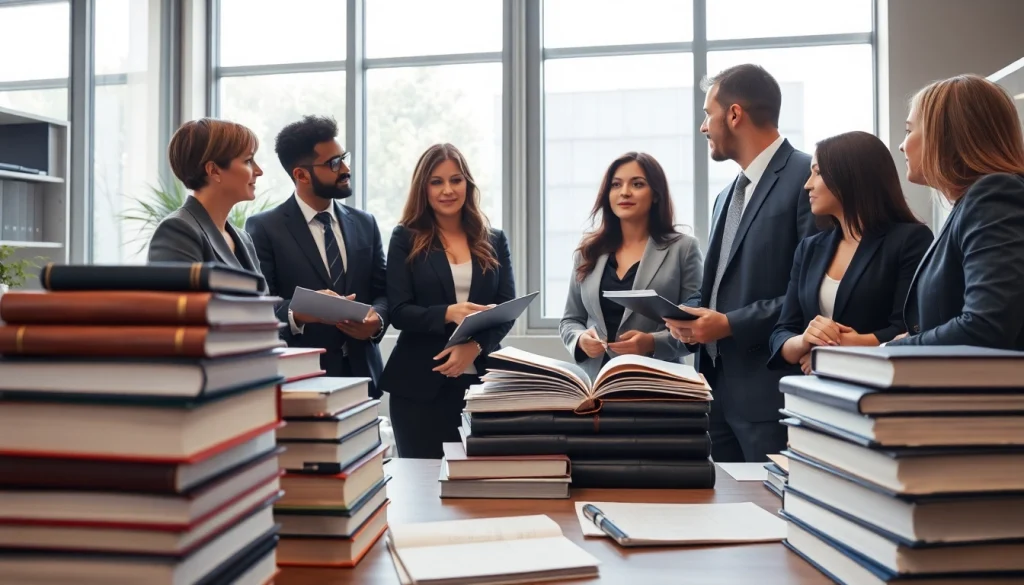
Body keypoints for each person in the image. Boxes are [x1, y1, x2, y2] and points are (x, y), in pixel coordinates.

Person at [663, 64, 818, 463]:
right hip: (715, 392)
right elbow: (717, 286)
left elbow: (810, 293)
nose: (703, 127)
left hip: (770, 395)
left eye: (707, 114)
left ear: (734, 114)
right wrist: (687, 315)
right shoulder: (725, 196)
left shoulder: (808, 179)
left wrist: (731, 324)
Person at [380, 143, 515, 459]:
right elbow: (399, 311)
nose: (448, 190)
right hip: (418, 389)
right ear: (423, 188)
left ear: (467, 183)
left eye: (456, 180)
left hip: (483, 385)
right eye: (436, 181)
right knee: (422, 490)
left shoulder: (494, 239)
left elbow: (506, 308)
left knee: (478, 491)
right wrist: (449, 313)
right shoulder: (405, 238)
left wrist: (475, 346)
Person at [245, 115, 389, 396]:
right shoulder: (263, 227)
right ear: (301, 175)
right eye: (334, 163)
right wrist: (299, 312)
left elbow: (383, 291)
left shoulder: (365, 223)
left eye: (343, 158)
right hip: (302, 378)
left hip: (364, 374)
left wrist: (377, 321)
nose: (345, 168)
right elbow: (259, 306)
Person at [768, 131, 933, 373]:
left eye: (818, 172)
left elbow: (909, 327)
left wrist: (842, 347)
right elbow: (782, 332)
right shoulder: (810, 248)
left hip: (878, 385)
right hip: (813, 389)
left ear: (850, 176)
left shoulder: (910, 240)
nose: (807, 184)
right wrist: (806, 340)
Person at [888, 74, 1024, 349]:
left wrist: (889, 352)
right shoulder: (976, 202)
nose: (902, 145)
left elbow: (985, 325)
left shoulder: (994, 194)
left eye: (908, 130)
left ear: (943, 135)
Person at [560, 152, 704, 380]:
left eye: (637, 184)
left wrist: (651, 343)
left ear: (656, 195)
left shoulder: (683, 249)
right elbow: (571, 319)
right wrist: (579, 340)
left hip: (657, 383)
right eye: (616, 185)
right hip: (595, 383)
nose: (624, 192)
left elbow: (696, 329)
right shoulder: (588, 251)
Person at [149, 118, 268, 292]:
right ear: (213, 171)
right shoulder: (178, 230)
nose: (259, 171)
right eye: (248, 160)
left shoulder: (243, 238)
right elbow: (177, 310)